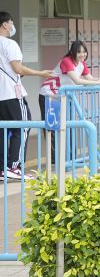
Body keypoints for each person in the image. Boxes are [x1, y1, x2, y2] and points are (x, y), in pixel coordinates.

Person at [0, 11, 53, 180]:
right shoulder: (9, 44)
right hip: (11, 94)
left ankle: (2, 168)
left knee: (2, 130)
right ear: (5, 24)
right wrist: (40, 73)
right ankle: (13, 166)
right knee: (23, 126)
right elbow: (18, 68)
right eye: (11, 22)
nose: (12, 26)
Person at [38, 40, 100, 156]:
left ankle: (70, 155)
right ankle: (53, 157)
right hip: (49, 94)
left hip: (63, 95)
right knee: (51, 126)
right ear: (73, 52)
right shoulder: (67, 61)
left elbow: (90, 78)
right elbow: (77, 80)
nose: (82, 55)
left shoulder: (81, 63)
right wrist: (97, 82)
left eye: (84, 52)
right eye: (79, 52)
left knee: (68, 124)